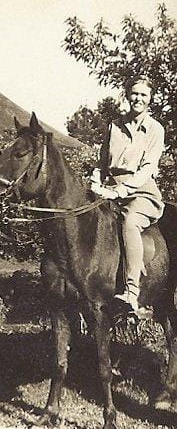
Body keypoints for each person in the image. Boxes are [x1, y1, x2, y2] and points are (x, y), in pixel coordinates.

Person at [90, 75, 165, 313]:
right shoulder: (114, 126)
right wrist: (94, 181)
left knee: (130, 223)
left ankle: (132, 293)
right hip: (111, 190)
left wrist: (122, 189)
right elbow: (102, 163)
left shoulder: (155, 129)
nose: (138, 99)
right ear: (127, 95)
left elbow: (147, 169)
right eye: (134, 93)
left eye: (143, 95)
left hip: (142, 194)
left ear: (150, 98)